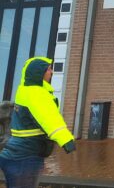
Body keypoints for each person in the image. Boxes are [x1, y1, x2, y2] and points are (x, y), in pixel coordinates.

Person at [0, 57, 76, 188]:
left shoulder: (25, 90)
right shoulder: (37, 94)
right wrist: (66, 140)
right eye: (48, 69)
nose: (51, 72)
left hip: (17, 155)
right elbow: (49, 118)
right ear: (38, 72)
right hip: (25, 159)